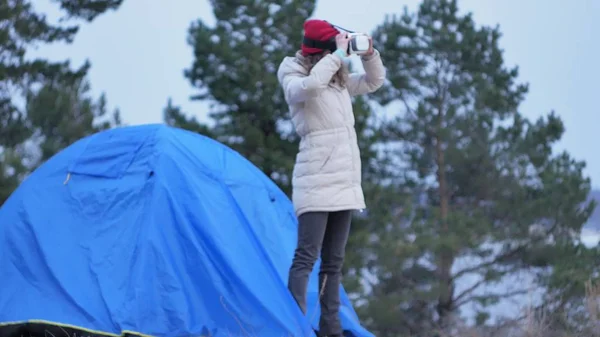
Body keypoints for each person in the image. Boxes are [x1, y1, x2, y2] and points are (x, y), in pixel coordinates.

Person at [276, 19, 386, 337]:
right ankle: (293, 327)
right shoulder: (293, 73)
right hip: (315, 178)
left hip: (344, 180)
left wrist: (369, 53)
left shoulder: (337, 79)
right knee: (306, 257)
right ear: (323, 51)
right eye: (334, 48)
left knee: (334, 262)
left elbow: (374, 81)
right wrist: (336, 55)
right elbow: (309, 88)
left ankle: (330, 329)